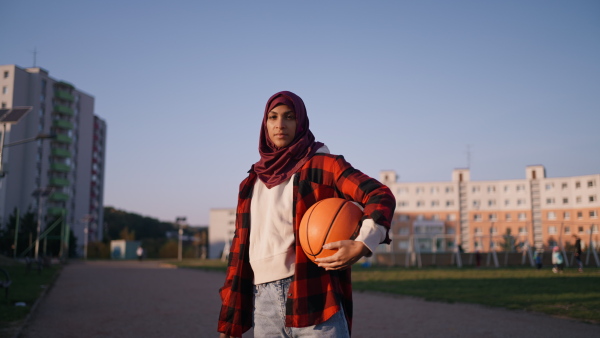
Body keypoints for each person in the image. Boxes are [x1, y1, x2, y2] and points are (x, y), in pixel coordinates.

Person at [217, 91, 396, 337]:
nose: (280, 124)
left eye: (289, 117)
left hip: (315, 296)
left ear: (300, 122)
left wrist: (364, 243)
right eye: (273, 117)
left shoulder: (324, 164)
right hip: (263, 304)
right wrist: (230, 320)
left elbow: (379, 194)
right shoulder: (249, 184)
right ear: (265, 124)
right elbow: (238, 256)